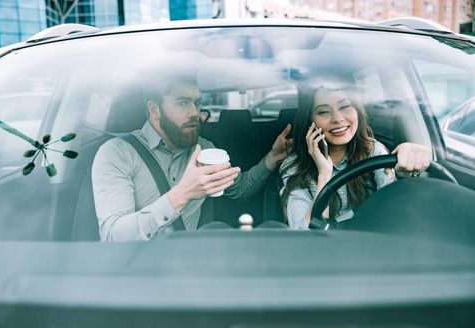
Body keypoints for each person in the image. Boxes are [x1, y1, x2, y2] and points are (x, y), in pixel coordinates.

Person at [92, 71, 292, 241]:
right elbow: (112, 236)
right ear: (154, 110)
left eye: (196, 103)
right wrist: (182, 194)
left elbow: (240, 189)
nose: (195, 112)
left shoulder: (203, 149)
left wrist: (272, 158)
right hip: (140, 274)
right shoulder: (117, 154)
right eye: (182, 103)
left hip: (193, 266)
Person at [280, 78, 431, 229]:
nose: (338, 118)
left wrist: (408, 168)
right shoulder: (294, 166)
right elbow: (303, 236)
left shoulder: (373, 150)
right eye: (324, 112)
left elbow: (396, 207)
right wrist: (324, 174)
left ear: (357, 110)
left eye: (345, 106)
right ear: (310, 121)